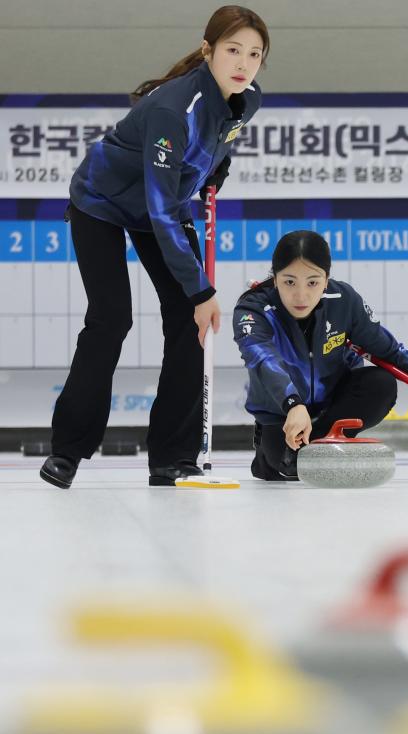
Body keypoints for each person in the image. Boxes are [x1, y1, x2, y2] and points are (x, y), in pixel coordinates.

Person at [40, 5, 269, 489]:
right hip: (103, 201)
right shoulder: (172, 108)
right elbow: (161, 209)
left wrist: (215, 174)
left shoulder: (248, 100)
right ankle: (68, 451)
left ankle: (172, 458)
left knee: (189, 322)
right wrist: (202, 289)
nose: (243, 63)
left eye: (254, 53)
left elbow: (218, 144)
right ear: (208, 50)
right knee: (111, 318)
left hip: (161, 203)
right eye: (232, 50)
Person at [232, 230, 408, 481]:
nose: (301, 295)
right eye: (289, 282)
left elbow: (392, 351)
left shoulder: (344, 300)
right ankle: (273, 454)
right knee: (283, 467)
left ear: (326, 280)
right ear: (275, 279)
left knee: (379, 383)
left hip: (332, 405)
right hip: (282, 412)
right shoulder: (253, 310)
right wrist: (293, 404)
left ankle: (321, 442)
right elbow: (264, 361)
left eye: (313, 282)